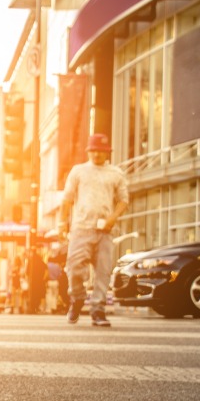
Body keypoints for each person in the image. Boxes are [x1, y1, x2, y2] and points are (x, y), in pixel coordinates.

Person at [61, 133, 130, 326]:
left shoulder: (115, 173)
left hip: (105, 231)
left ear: (107, 152)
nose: (96, 154)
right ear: (88, 151)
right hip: (81, 228)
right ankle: (77, 298)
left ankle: (98, 310)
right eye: (93, 150)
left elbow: (124, 200)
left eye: (100, 151)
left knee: (103, 272)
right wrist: (61, 224)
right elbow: (66, 200)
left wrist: (112, 218)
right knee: (74, 268)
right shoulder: (78, 171)